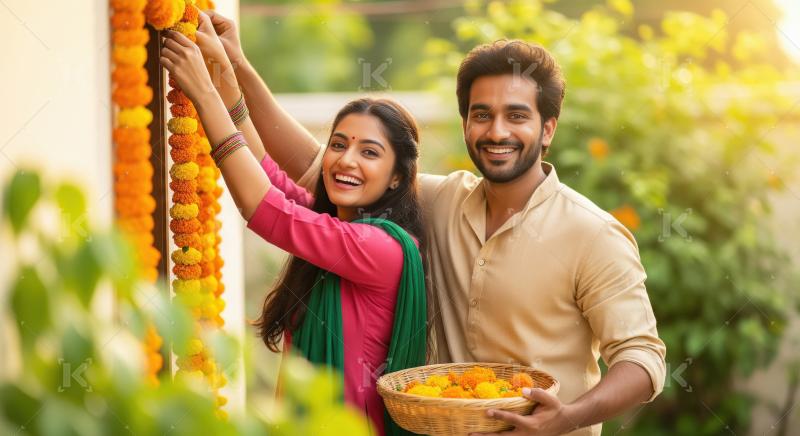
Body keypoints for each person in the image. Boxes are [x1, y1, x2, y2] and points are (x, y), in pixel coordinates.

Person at [200, 11, 667, 436]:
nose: (497, 131)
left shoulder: (592, 234)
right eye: (481, 115)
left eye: (517, 116)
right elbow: (322, 168)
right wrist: (237, 66)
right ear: (465, 124)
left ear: (548, 129)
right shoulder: (441, 200)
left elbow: (642, 361)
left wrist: (567, 416)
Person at [160, 15, 432, 435]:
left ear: (398, 176)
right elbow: (270, 179)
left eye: (370, 152)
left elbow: (266, 209)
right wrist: (229, 72)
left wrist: (205, 92)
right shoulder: (340, 228)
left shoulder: (380, 248)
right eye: (339, 144)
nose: (346, 160)